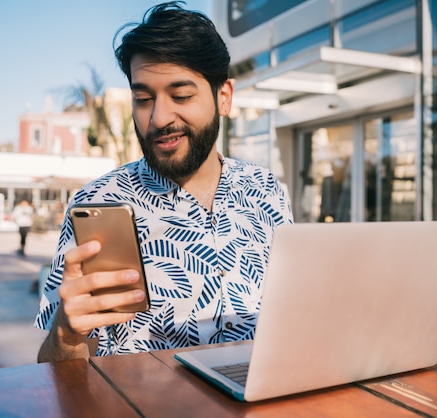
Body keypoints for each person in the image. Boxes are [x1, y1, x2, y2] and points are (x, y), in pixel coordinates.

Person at [35, 1, 293, 362]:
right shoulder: (98, 203)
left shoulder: (266, 189)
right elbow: (55, 373)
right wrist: (67, 332)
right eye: (143, 99)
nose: (159, 117)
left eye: (181, 95)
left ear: (224, 97)